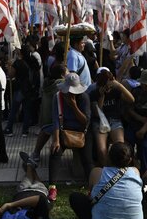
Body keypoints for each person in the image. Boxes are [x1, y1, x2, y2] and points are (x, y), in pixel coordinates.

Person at [70, 142, 143, 219]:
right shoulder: (135, 171)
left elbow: (90, 196)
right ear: (129, 160)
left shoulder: (97, 172)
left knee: (75, 197)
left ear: (108, 157)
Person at [48, 73, 92, 201]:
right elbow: (55, 119)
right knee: (55, 152)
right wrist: (56, 140)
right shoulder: (58, 97)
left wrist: (74, 106)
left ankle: (92, 188)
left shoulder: (84, 97)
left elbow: (85, 121)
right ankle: (52, 187)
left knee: (87, 159)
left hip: (82, 131)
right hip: (64, 130)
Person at [90, 68, 135, 167]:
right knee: (102, 150)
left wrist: (119, 85)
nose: (108, 89)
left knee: (121, 147)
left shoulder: (115, 91)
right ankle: (106, 169)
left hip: (115, 120)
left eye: (109, 85)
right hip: (99, 122)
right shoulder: (94, 93)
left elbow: (131, 100)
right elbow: (98, 113)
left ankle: (119, 169)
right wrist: (101, 97)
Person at [31, 64, 67, 162]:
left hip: (45, 115)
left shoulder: (47, 82)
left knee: (45, 133)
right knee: (55, 134)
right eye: (67, 72)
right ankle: (54, 154)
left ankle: (36, 153)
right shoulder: (61, 84)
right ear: (62, 75)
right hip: (55, 116)